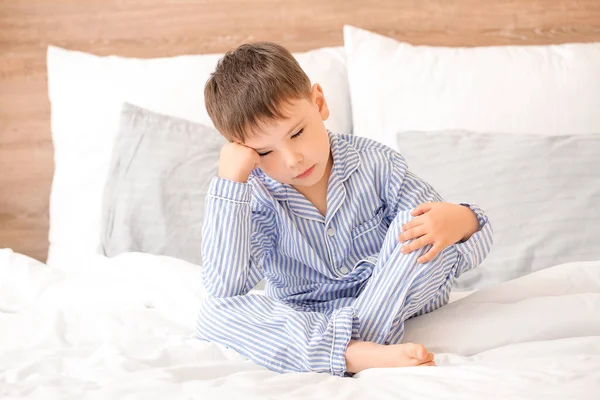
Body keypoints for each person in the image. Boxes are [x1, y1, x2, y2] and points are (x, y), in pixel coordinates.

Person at [195, 42, 493, 377]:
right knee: (213, 313)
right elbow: (224, 287)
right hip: (309, 317)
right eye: (265, 153)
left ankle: (347, 348)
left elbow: (442, 238)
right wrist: (230, 184)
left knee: (417, 226)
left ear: (319, 103)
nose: (293, 159)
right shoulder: (259, 197)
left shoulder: (376, 163)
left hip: (395, 295)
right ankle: (353, 352)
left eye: (297, 133)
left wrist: (464, 220)